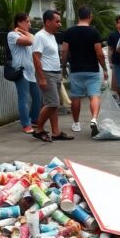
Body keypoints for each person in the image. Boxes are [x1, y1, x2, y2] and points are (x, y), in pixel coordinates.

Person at [62, 5, 108, 136]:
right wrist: (104, 68)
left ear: (79, 16)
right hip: (92, 70)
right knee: (94, 95)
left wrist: (64, 66)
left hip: (76, 70)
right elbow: (99, 53)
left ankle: (76, 124)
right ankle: (93, 119)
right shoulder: (94, 32)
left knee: (76, 97)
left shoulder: (69, 32)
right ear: (90, 16)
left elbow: (64, 50)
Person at [31, 10, 71, 141]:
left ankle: (56, 132)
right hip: (47, 74)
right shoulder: (40, 36)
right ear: (47, 22)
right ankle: (39, 129)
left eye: (60, 21)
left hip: (55, 73)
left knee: (54, 105)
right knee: (52, 103)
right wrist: (41, 77)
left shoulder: (52, 36)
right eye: (57, 21)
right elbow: (36, 57)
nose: (59, 24)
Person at [7, 12, 41, 134]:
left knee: (38, 97)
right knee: (24, 98)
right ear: (19, 22)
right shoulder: (12, 35)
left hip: (31, 72)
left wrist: (24, 32)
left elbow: (34, 39)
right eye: (27, 21)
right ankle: (26, 124)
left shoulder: (26, 34)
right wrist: (22, 32)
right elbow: (31, 41)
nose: (29, 24)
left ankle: (34, 119)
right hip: (21, 72)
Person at [106, 15, 120, 109]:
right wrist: (110, 62)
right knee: (119, 83)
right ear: (116, 24)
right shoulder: (112, 35)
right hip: (117, 61)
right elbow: (110, 49)